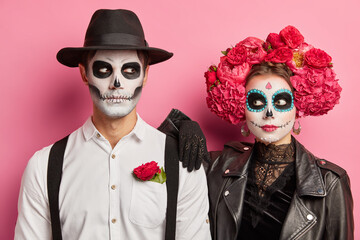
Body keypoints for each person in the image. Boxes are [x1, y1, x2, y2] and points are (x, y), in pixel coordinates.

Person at [14, 9, 211, 240]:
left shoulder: (181, 164)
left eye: (129, 70)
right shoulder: (42, 167)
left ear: (145, 75)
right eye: (103, 69)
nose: (116, 83)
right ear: (84, 73)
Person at [168, 26, 354, 239]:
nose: (268, 112)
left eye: (281, 102)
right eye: (256, 101)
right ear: (240, 107)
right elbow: (158, 167)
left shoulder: (330, 181)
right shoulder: (217, 166)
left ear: (298, 106)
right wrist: (182, 126)